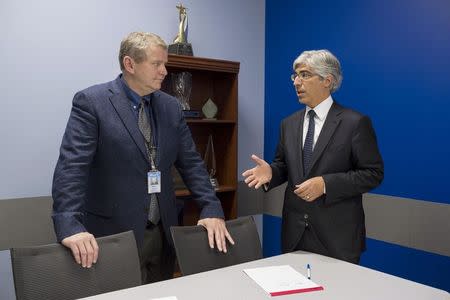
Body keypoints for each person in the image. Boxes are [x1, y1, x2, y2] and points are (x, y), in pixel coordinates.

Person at [52, 32, 234, 283]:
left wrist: (211, 206)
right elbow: (72, 167)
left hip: (162, 232)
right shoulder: (92, 103)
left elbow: (191, 162)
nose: (165, 71)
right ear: (130, 64)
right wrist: (69, 224)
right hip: (113, 235)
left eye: (165, 64)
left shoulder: (171, 107)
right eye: (157, 64)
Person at [242, 49, 383, 264]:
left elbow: (373, 173)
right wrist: (272, 172)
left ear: (327, 80)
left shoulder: (355, 123)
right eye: (295, 75)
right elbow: (284, 166)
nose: (297, 82)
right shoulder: (288, 124)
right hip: (295, 235)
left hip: (338, 238)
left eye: (305, 75)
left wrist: (326, 184)